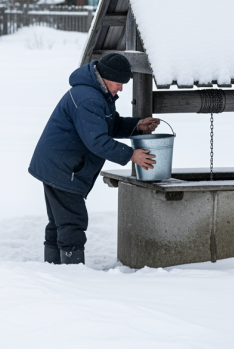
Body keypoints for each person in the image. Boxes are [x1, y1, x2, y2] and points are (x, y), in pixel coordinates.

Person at [29, 53, 160, 265]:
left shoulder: (96, 93)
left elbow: (109, 124)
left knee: (59, 222)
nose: (121, 88)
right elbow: (97, 140)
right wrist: (131, 155)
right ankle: (71, 271)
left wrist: (136, 126)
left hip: (57, 165)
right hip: (64, 168)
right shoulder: (88, 99)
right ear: (106, 77)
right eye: (119, 83)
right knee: (72, 221)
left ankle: (54, 268)